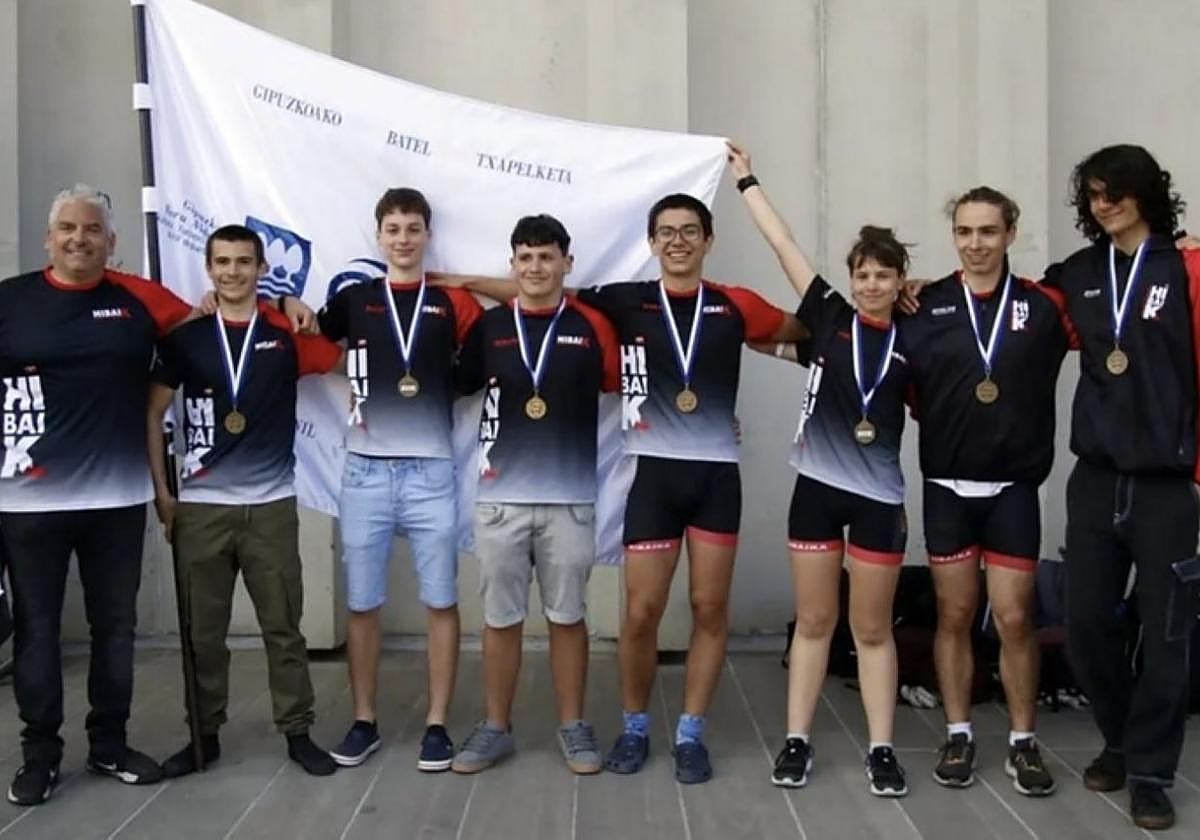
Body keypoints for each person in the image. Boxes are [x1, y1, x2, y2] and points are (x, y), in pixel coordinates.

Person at [0, 184, 197, 805]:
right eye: (67, 228)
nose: (78, 239)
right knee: (37, 630)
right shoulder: (10, 301)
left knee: (116, 628)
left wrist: (289, 309)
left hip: (116, 498)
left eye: (92, 230)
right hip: (27, 501)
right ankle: (39, 755)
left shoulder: (137, 300)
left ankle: (109, 745)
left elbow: (217, 319)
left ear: (111, 242)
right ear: (48, 239)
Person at [728, 145, 912, 796]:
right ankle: (797, 741)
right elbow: (782, 242)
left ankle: (882, 749)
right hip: (816, 491)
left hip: (879, 499)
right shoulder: (829, 316)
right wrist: (746, 179)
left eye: (884, 275)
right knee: (813, 623)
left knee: (872, 629)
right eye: (863, 274)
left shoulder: (918, 338)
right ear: (851, 279)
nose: (872, 285)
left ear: (902, 281)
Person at [146, 225, 343, 778]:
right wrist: (163, 492)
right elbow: (152, 414)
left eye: (243, 262)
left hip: (271, 506)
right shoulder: (185, 338)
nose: (232, 271)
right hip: (200, 509)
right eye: (223, 262)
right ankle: (203, 735)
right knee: (203, 634)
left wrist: (291, 305)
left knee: (284, 627)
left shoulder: (284, 335)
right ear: (209, 268)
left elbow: (342, 359)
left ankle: (298, 732)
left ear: (261, 269)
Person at [899, 186, 1071, 798]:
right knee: (954, 614)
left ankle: (1024, 741)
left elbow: (1110, 320)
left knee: (1016, 617)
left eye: (988, 232)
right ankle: (958, 732)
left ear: (1010, 234)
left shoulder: (1044, 307)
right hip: (948, 486)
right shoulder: (922, 305)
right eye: (965, 232)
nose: (976, 244)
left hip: (1014, 489)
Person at [1050, 144, 1199, 831]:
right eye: (1094, 194)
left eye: (1115, 191)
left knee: (1167, 635)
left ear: (1146, 192)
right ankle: (1120, 738)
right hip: (1095, 477)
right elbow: (1012, 310)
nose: (1104, 204)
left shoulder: (1186, 267)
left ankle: (1150, 774)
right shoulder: (1080, 274)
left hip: (1168, 484)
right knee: (1085, 624)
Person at [315, 188, 483, 771]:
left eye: (414, 228)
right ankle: (364, 720)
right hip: (364, 470)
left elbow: (489, 356)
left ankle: (436, 724)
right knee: (363, 604)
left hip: (431, 470)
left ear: (428, 235)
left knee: (441, 600)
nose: (404, 238)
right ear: (379, 236)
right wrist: (285, 301)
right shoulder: (355, 299)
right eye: (393, 229)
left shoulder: (452, 301)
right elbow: (310, 337)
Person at [451, 214, 620, 775]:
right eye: (525, 257)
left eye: (547, 256)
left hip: (570, 500)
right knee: (500, 619)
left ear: (567, 263)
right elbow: (451, 383)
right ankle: (495, 727)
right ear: (512, 264)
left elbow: (635, 384)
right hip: (500, 501)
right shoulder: (492, 327)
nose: (536, 266)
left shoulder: (592, 325)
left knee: (567, 616)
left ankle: (573, 726)